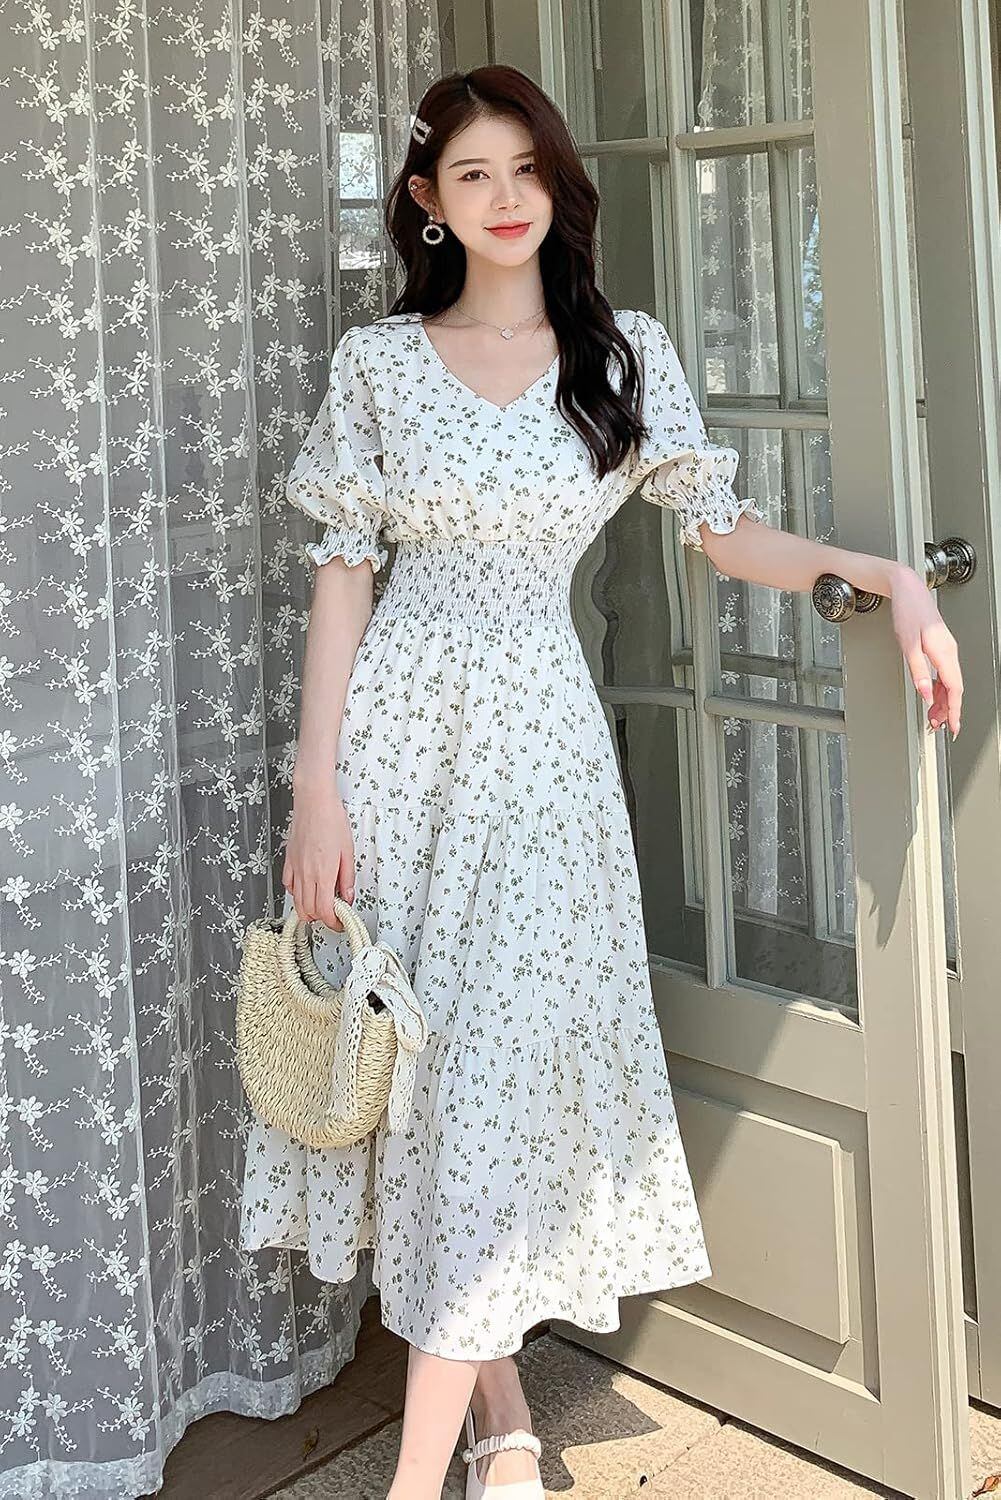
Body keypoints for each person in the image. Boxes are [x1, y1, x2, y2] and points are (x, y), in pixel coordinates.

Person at [239, 64, 963, 1500]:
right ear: (427, 203)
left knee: (492, 1086)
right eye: (472, 175)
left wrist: (883, 576)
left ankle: (418, 1479)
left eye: (526, 169)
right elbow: (343, 578)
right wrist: (317, 791)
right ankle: (503, 1418)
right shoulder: (380, 364)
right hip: (396, 750)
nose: (504, 198)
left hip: (540, 766)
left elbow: (724, 534)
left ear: (558, 184)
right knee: (429, 1091)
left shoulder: (622, 357)